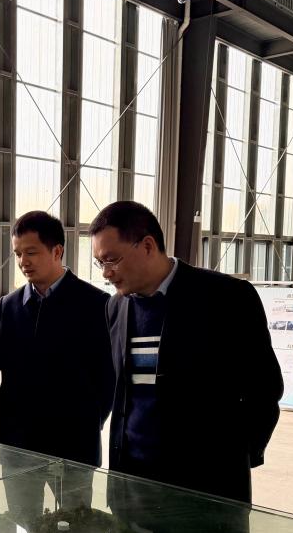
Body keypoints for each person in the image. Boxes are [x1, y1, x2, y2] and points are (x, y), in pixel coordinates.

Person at [89, 200, 282, 506]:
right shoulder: (116, 307)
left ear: (148, 245)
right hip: (134, 486)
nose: (106, 273)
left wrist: (233, 458)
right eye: (99, 263)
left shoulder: (226, 298)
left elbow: (264, 390)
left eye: (111, 260)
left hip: (207, 488)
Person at [0, 211, 113, 524]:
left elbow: (108, 376)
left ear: (57, 251)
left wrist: (90, 422)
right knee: (26, 524)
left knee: (72, 528)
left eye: (31, 252)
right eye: (18, 253)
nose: (23, 261)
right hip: (18, 445)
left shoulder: (96, 304)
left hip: (74, 447)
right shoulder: (9, 305)